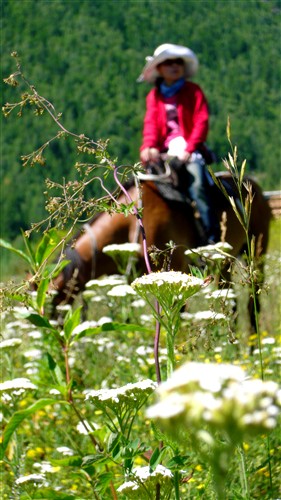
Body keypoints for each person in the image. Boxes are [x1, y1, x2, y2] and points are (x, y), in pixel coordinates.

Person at [138, 43, 220, 243]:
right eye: (168, 63)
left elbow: (201, 122)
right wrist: (148, 147)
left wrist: (189, 149)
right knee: (144, 191)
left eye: (178, 63)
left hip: (189, 151)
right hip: (164, 153)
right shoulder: (154, 96)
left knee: (198, 185)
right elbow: (150, 124)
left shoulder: (194, 91)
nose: (174, 66)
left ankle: (212, 239)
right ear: (159, 69)